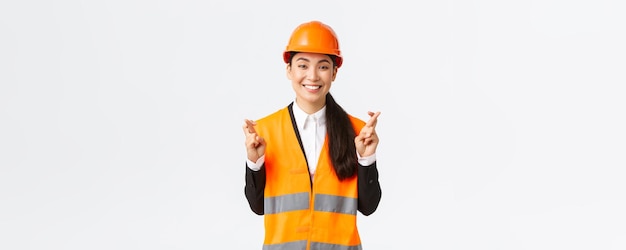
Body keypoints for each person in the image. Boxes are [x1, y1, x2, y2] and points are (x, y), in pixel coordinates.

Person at [242, 20, 382, 250]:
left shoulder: (357, 132)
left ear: (335, 72)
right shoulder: (264, 132)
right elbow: (258, 207)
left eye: (323, 66)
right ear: (289, 69)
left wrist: (366, 159)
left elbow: (368, 206)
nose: (313, 76)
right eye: (303, 65)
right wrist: (254, 162)